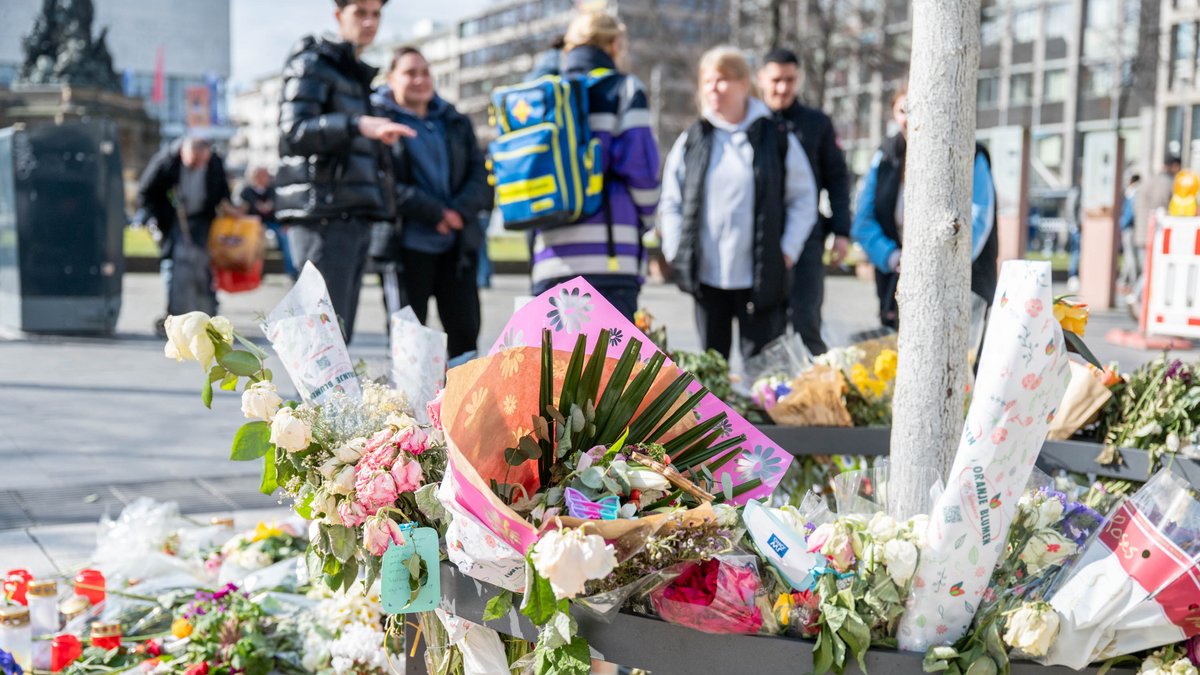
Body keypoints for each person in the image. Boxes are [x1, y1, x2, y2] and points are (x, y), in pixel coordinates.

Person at [659, 46, 819, 361]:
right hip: (707, 277)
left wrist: (787, 250)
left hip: (759, 277)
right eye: (707, 81)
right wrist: (676, 249)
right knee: (711, 369)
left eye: (722, 80)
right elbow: (671, 201)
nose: (713, 89)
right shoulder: (694, 138)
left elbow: (803, 198)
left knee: (760, 373)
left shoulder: (775, 136)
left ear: (744, 84)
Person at [275, 0, 414, 344]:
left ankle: (321, 401)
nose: (369, 22)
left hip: (349, 215)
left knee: (335, 340)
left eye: (376, 14)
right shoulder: (313, 63)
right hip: (322, 216)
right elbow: (293, 132)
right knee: (320, 342)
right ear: (339, 16)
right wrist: (356, 124)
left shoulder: (352, 72)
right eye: (360, 13)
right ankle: (308, 401)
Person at [529, 12, 661, 320]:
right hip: (610, 257)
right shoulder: (624, 89)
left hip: (550, 255)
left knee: (557, 366)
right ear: (614, 45)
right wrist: (646, 217)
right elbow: (641, 168)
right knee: (610, 365)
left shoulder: (544, 93)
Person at [851, 86, 998, 341]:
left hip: (960, 281)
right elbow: (863, 221)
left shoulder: (970, 153)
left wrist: (941, 265)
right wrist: (894, 257)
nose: (911, 117)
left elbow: (979, 219)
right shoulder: (884, 156)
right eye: (903, 110)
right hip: (896, 280)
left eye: (920, 108)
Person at [371, 46, 491, 359]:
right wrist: (435, 212)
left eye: (425, 72)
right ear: (390, 78)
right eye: (410, 73)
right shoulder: (379, 123)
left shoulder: (454, 121)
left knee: (465, 332)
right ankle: (408, 408)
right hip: (406, 247)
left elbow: (480, 172)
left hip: (457, 245)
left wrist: (458, 212)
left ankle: (466, 406)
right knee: (410, 340)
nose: (420, 80)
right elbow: (381, 182)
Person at [757, 48, 851, 357]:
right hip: (761, 237)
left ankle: (813, 398)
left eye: (789, 80)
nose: (782, 88)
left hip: (808, 237)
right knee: (764, 325)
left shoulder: (817, 123)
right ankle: (764, 397)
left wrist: (841, 231)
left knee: (806, 320)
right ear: (761, 79)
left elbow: (837, 178)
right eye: (775, 80)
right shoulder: (752, 120)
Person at [137, 136, 231, 334]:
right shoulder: (165, 162)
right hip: (172, 220)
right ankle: (175, 315)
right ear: (183, 152)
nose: (197, 166)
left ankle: (207, 313)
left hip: (202, 219)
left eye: (201, 162)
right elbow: (146, 192)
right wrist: (152, 219)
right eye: (193, 162)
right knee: (175, 266)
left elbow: (222, 190)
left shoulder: (214, 162)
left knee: (203, 266)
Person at [1130, 156, 1180, 307]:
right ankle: (1135, 297)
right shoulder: (1167, 183)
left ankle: (1137, 298)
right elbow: (1164, 206)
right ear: (1175, 166)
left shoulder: (1149, 181)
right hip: (1154, 233)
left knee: (1147, 268)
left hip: (1141, 231)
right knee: (1151, 269)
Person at [238, 166, 296, 280]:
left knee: (286, 239)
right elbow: (243, 210)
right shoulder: (247, 191)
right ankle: (254, 273)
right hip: (253, 225)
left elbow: (282, 209)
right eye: (262, 175)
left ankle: (291, 272)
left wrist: (285, 223)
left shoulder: (274, 190)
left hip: (273, 223)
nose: (266, 178)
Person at [1117, 173, 1140, 296]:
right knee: (1128, 255)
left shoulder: (1132, 193)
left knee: (1130, 255)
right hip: (1132, 227)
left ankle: (1133, 281)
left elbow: (1129, 213)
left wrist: (1122, 224)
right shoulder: (1136, 192)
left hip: (1129, 228)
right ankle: (1123, 279)